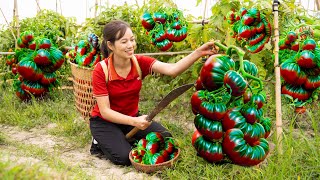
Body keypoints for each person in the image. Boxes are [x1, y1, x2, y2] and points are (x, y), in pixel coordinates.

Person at [89, 20, 218, 166]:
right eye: (124, 41)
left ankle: (122, 138)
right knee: (124, 158)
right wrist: (134, 122)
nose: (130, 45)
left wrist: (199, 52)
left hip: (132, 118)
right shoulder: (101, 70)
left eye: (132, 40)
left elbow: (172, 70)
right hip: (105, 122)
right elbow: (105, 111)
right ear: (111, 45)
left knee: (165, 138)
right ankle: (98, 142)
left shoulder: (139, 62)